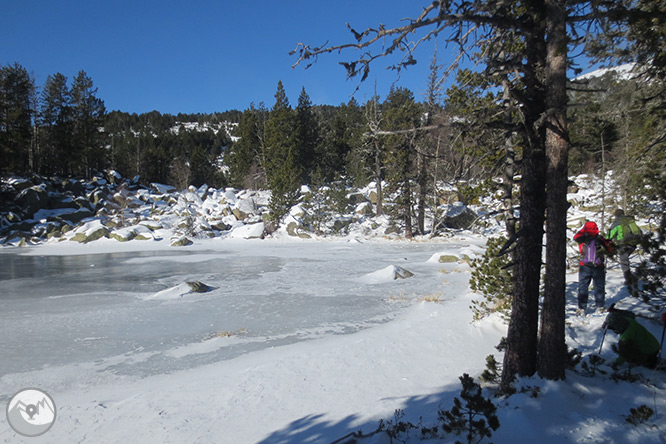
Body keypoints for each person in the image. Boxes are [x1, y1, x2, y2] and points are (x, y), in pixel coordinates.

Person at [574, 221, 614, 312]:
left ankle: (582, 307)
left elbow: (575, 237)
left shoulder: (581, 238)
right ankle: (599, 306)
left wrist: (584, 231)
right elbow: (611, 249)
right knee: (599, 286)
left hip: (584, 266)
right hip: (599, 266)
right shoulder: (600, 239)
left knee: (583, 287)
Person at [607, 209, 642, 293]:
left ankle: (628, 278)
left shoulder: (617, 222)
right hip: (633, 244)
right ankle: (630, 276)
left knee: (624, 260)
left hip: (623, 244)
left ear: (616, 215)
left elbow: (610, 235)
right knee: (625, 259)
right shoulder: (630, 220)